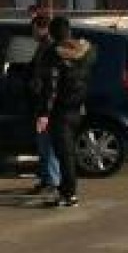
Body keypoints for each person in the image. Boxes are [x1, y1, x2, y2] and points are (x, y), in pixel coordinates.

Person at [34, 16, 94, 207]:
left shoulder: (54, 54)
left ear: (52, 32)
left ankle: (68, 194)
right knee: (68, 153)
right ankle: (67, 193)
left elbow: (51, 86)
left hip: (60, 111)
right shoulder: (83, 52)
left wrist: (44, 113)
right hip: (77, 109)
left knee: (64, 154)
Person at [26, 13, 61, 196]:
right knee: (43, 144)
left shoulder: (49, 48)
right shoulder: (43, 47)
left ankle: (53, 181)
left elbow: (49, 82)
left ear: (42, 28)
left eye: (33, 29)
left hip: (47, 105)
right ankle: (46, 178)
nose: (31, 33)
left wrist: (45, 111)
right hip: (42, 102)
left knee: (48, 144)